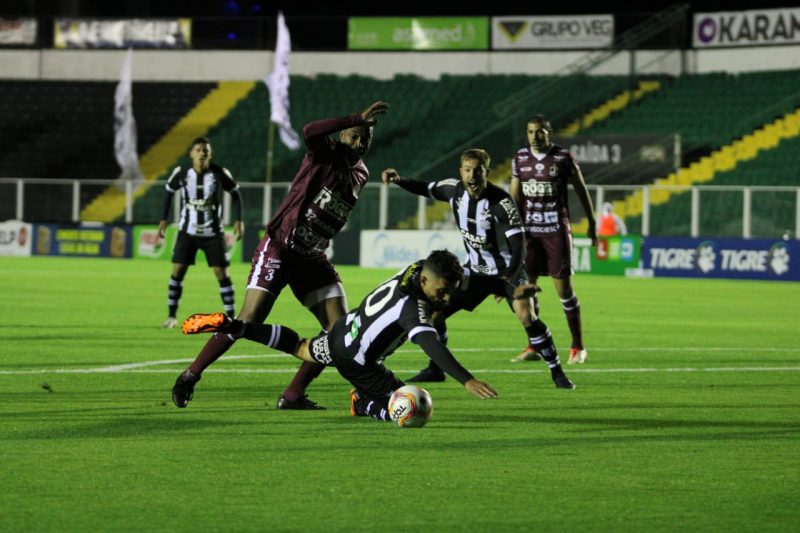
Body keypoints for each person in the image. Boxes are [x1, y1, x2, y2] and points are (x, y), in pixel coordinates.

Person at [171, 101, 390, 409]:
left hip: (312, 257)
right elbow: (309, 131)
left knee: (339, 333)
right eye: (354, 135)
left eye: (365, 138)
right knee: (250, 319)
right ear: (342, 136)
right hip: (280, 247)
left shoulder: (362, 173)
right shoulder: (324, 152)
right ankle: (190, 376)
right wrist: (354, 118)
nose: (360, 143)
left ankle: (293, 395)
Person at [181, 250, 498, 420]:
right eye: (442, 292)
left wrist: (506, 286)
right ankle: (363, 403)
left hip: (342, 331)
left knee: (300, 347)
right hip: (359, 362)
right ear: (427, 281)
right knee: (411, 407)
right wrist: (466, 379)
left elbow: (465, 278)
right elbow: (430, 344)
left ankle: (236, 327)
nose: (444, 299)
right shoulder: (411, 307)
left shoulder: (417, 269)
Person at [381, 148, 575, 389]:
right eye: (468, 170)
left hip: (507, 271)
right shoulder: (453, 190)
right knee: (435, 314)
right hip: (474, 271)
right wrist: (400, 180)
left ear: (487, 172)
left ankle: (557, 373)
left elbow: (519, 247)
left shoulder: (502, 202)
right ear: (461, 171)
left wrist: (507, 279)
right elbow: (426, 188)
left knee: (527, 316)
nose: (473, 176)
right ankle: (435, 369)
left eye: (478, 171)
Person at [510, 115, 597, 365]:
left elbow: (581, 189)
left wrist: (591, 224)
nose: (534, 137)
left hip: (556, 231)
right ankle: (534, 346)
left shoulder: (563, 157)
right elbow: (515, 196)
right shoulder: (520, 158)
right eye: (530, 132)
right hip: (529, 233)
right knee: (527, 290)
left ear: (549, 133)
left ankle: (577, 347)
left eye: (539, 132)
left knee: (564, 291)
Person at [158, 137, 243, 329]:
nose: (202, 153)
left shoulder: (219, 173)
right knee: (177, 272)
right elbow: (168, 192)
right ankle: (171, 317)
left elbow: (236, 194)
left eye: (206, 150)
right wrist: (163, 218)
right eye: (198, 150)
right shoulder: (181, 173)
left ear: (210, 154)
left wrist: (239, 220)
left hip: (213, 233)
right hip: (187, 231)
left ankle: (232, 317)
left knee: (222, 273)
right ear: (191, 154)